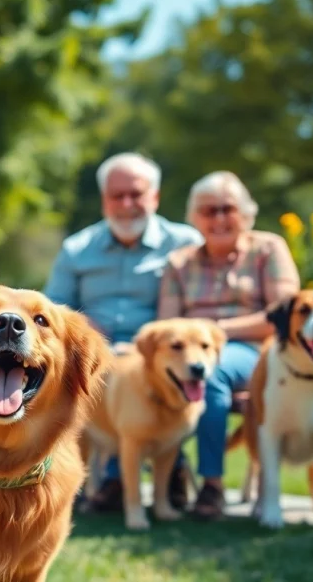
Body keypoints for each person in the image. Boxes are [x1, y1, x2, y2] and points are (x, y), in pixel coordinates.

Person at [43, 152, 204, 511]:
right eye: (117, 196)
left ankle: (131, 476)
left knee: (135, 373)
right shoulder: (77, 249)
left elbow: (194, 307)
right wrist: (84, 327)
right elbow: (52, 310)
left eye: (137, 194)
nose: (127, 204)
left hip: (157, 353)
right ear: (104, 201)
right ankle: (71, 479)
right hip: (93, 351)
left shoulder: (184, 243)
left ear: (155, 197)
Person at [158, 170, 300, 520]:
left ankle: (212, 484)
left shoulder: (268, 249)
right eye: (209, 211)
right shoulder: (179, 262)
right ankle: (169, 473)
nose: (219, 218)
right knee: (157, 374)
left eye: (228, 209)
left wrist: (219, 330)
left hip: (252, 350)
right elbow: (166, 325)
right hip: (188, 348)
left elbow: (284, 315)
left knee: (209, 373)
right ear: (195, 218)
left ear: (246, 213)